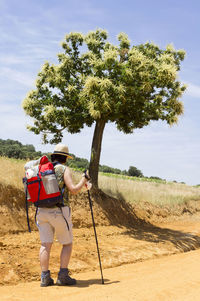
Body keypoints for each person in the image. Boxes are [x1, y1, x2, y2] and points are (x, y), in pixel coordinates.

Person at [36, 144, 90, 287]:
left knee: (45, 245)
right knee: (67, 243)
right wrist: (84, 179)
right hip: (59, 211)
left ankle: (45, 278)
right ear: (65, 158)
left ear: (54, 156)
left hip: (41, 211)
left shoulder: (43, 168)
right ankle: (63, 276)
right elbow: (73, 190)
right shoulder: (64, 169)